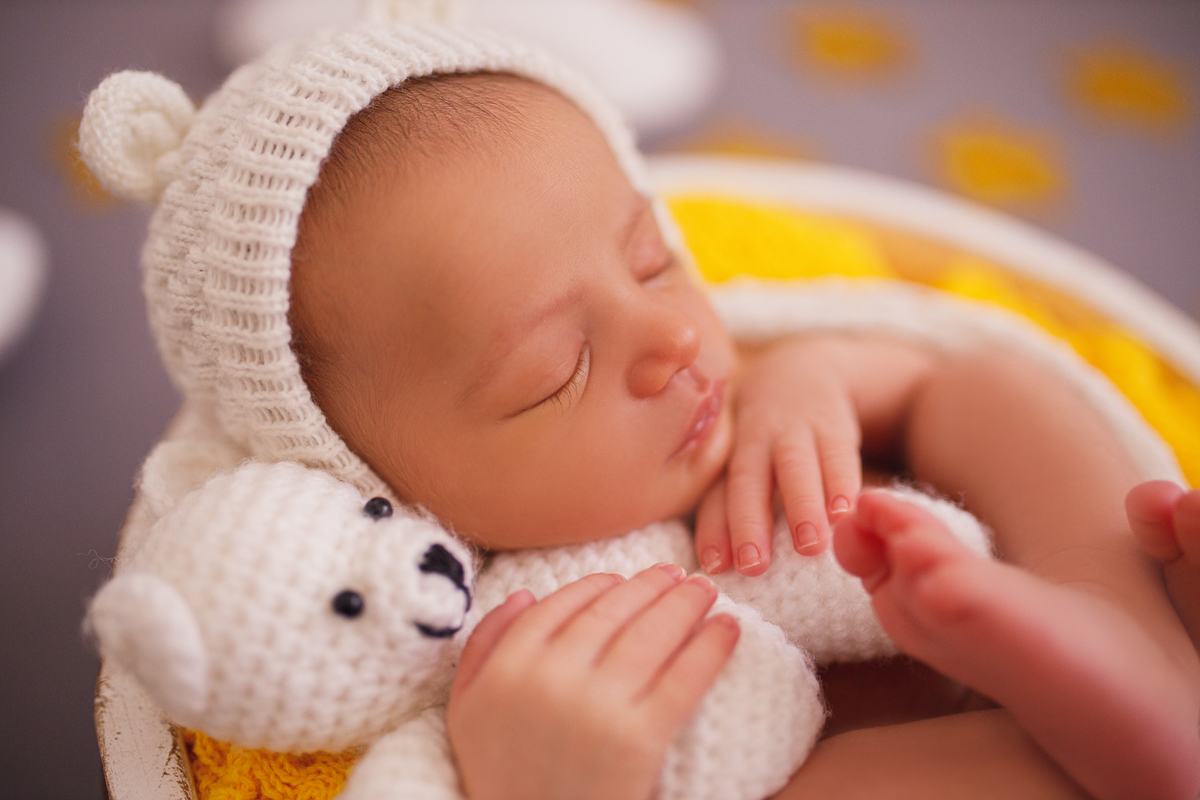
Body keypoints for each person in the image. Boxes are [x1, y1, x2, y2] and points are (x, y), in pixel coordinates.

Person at [78, 19, 1200, 800]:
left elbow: (925, 372)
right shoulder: (467, 640)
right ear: (386, 490)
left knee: (991, 386)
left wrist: (818, 376)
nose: (674, 341)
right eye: (555, 373)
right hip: (837, 753)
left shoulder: (739, 373)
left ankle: (1118, 625)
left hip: (1028, 614)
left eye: (653, 259)